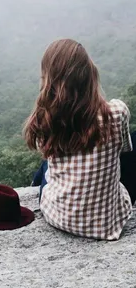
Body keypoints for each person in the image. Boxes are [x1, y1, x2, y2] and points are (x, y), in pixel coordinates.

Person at [23, 39, 135, 240]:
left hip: (59, 217)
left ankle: (35, 181)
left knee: (45, 165)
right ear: (90, 74)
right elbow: (125, 151)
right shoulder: (117, 113)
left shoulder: (45, 121)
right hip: (108, 224)